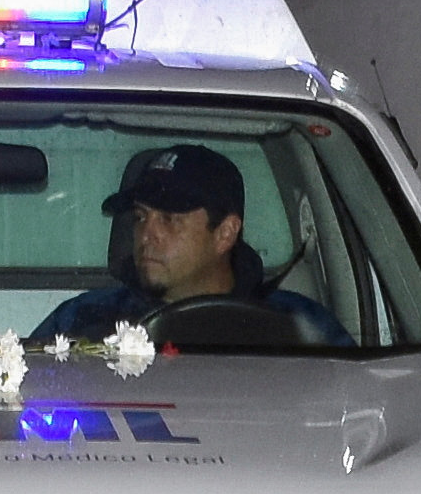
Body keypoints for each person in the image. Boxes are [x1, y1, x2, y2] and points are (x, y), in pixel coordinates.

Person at [34, 144, 344, 344]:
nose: (146, 234)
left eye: (169, 218)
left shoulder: (298, 327)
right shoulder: (84, 319)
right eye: (141, 217)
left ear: (225, 233)